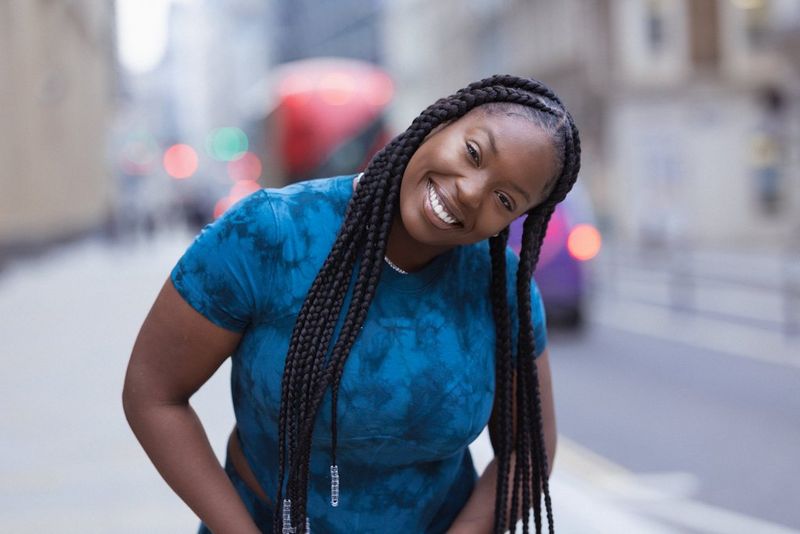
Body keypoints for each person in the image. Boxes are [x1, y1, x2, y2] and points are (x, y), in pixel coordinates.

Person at [123, 74, 580, 534]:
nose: (470, 191)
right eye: (474, 153)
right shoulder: (269, 234)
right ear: (442, 120)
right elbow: (154, 395)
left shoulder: (499, 287)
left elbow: (528, 448)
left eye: (504, 198)